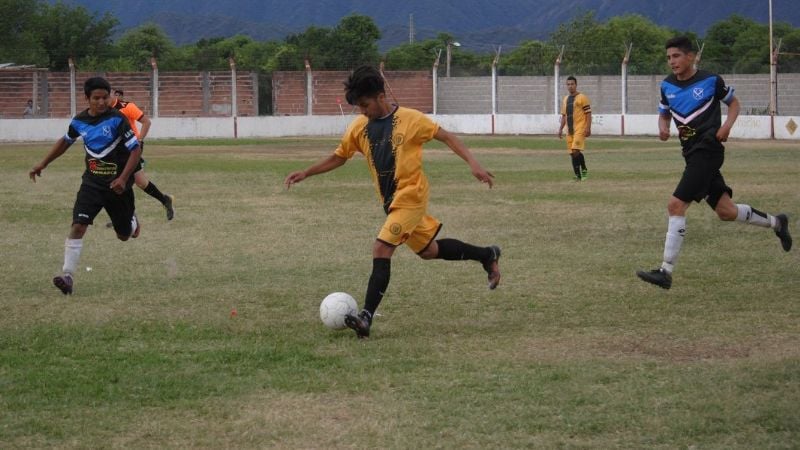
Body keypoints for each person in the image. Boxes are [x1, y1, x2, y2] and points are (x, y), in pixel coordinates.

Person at [284, 65, 501, 339]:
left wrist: (473, 163)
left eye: (365, 105)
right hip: (391, 202)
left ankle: (365, 317)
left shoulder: (411, 120)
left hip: (411, 197)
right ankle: (487, 255)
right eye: (359, 107)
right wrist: (307, 172)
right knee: (429, 251)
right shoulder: (359, 127)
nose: (363, 111)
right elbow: (340, 156)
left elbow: (446, 136)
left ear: (380, 96)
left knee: (382, 247)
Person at [636, 36, 792, 290]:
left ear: (691, 57)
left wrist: (727, 127)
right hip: (691, 153)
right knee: (726, 211)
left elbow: (734, 104)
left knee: (675, 205)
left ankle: (665, 271)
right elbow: (664, 113)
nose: (672, 61)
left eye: (676, 56)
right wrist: (662, 127)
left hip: (708, 150)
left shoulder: (711, 81)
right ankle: (777, 222)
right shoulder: (666, 86)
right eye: (668, 57)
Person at [29, 77, 142, 295]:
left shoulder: (117, 119)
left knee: (124, 235)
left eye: (105, 98)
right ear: (87, 99)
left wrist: (123, 178)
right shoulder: (79, 121)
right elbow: (66, 141)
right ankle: (68, 276)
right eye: (96, 98)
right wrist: (43, 163)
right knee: (79, 225)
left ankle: (131, 220)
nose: (101, 102)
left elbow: (135, 150)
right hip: (92, 184)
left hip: (118, 186)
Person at [110, 88, 174, 220]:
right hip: (117, 149)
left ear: (112, 94)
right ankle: (165, 200)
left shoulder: (127, 107)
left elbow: (146, 122)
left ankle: (127, 217)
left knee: (123, 180)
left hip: (132, 148)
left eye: (107, 95)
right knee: (140, 182)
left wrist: (139, 140)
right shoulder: (103, 110)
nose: (103, 99)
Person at [558, 76, 591, 181]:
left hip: (580, 128)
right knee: (572, 153)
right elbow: (564, 115)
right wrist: (560, 129)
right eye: (568, 84)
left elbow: (588, 113)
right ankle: (578, 175)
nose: (570, 86)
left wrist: (588, 128)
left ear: (576, 85)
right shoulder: (565, 99)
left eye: (572, 84)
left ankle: (583, 170)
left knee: (575, 150)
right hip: (569, 130)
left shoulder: (582, 97)